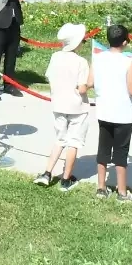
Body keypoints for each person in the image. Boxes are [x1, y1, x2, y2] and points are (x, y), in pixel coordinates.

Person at [89, 23, 132, 202]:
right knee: (121, 153)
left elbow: (90, 82)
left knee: (103, 150)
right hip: (123, 114)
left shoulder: (97, 58)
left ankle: (101, 187)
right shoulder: (129, 62)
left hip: (104, 111)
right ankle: (122, 192)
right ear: (125, 42)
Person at [34, 23, 90, 190]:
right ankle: (66, 179)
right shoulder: (81, 62)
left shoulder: (55, 57)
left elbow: (50, 77)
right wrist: (90, 84)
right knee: (74, 142)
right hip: (77, 107)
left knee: (60, 139)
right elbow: (82, 88)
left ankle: (47, 173)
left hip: (58, 104)